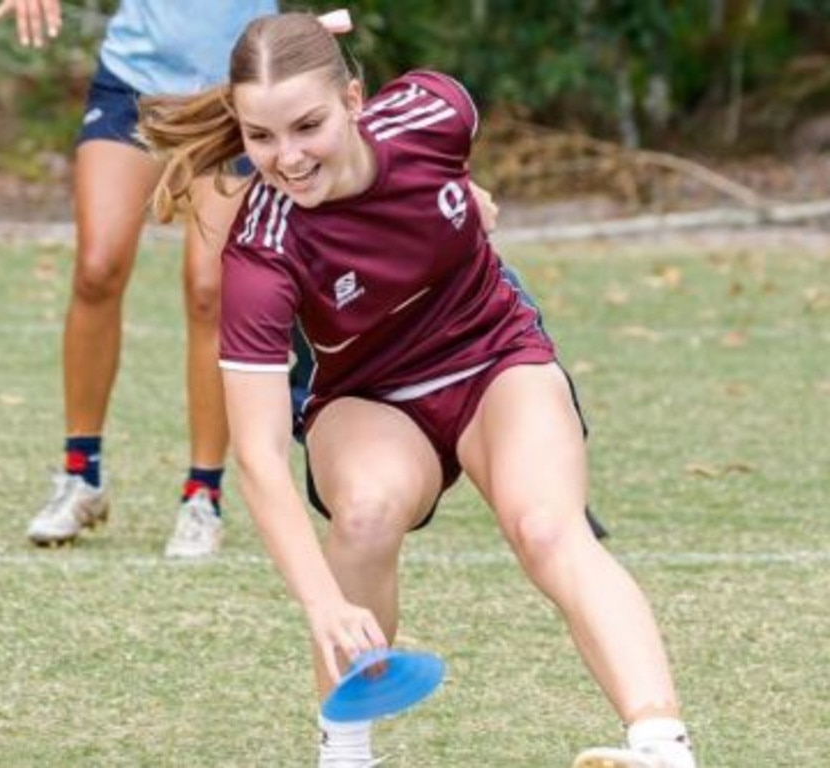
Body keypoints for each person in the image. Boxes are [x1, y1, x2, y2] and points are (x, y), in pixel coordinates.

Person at [138, 11, 696, 768]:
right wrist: (324, 604)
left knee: (546, 528)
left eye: (308, 126)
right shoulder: (261, 254)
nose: (289, 158)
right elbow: (263, 456)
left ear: (355, 101)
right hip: (371, 397)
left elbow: (438, 174)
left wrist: (470, 197)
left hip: (494, 355)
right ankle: (346, 751)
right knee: (364, 517)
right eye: (261, 138)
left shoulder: (438, 109)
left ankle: (662, 747)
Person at [0, 0, 277, 556]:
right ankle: (81, 474)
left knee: (209, 290)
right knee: (96, 268)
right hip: (133, 82)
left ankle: (202, 495)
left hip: (235, 93)